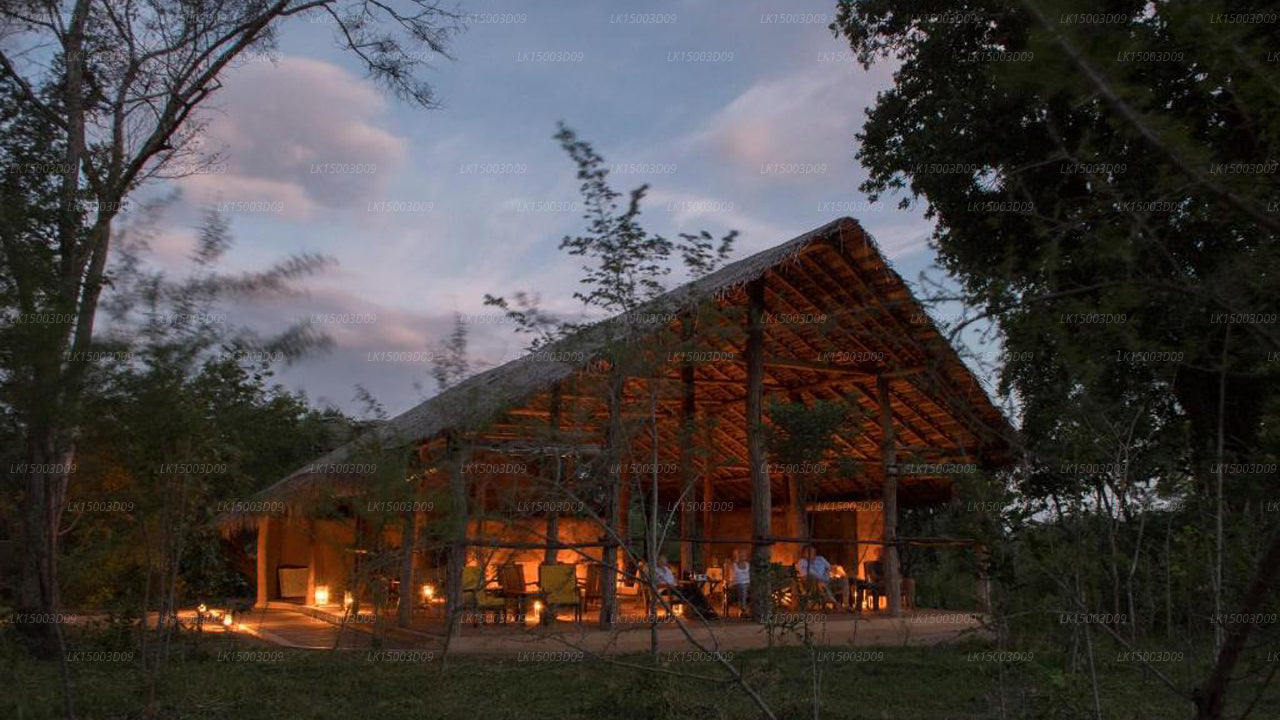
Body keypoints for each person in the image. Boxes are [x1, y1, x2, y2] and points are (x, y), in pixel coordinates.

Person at [651, 555, 718, 621]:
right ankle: (704, 612)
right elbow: (655, 583)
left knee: (694, 590)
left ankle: (705, 610)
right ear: (658, 561)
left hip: (675, 588)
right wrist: (669, 585)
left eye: (664, 560)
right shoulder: (656, 571)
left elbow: (674, 580)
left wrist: (678, 582)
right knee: (692, 593)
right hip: (665, 590)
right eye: (661, 560)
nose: (663, 562)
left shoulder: (667, 569)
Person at [728, 549, 751, 615]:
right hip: (738, 583)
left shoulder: (747, 564)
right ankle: (743, 608)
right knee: (742, 587)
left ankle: (742, 608)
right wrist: (730, 582)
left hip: (747, 583)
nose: (743, 557)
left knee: (744, 587)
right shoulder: (734, 565)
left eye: (744, 555)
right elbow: (730, 575)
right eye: (741, 555)